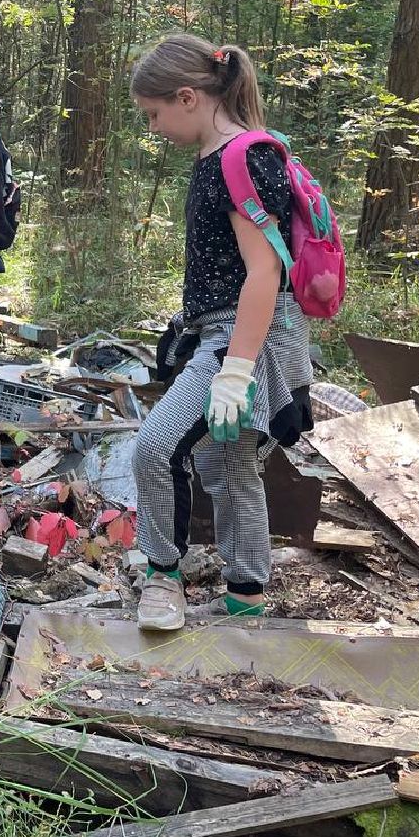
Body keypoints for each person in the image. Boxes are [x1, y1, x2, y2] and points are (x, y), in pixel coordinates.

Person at [127, 34, 314, 631]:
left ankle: (162, 577)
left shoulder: (246, 157)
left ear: (188, 97)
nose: (154, 127)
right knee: (229, 463)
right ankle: (245, 596)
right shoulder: (216, 160)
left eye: (154, 114)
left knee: (156, 446)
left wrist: (235, 370)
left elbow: (265, 271)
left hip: (251, 336)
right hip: (223, 330)